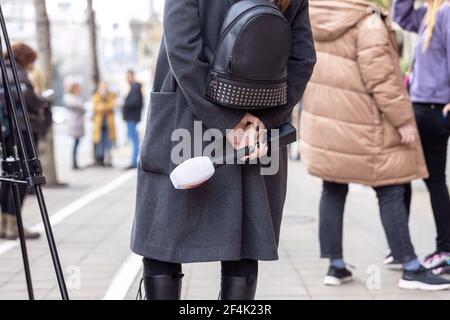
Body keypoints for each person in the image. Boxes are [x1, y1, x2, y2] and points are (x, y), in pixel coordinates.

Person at [131, 0, 316, 300]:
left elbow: (182, 47)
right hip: (256, 124)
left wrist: (228, 121)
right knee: (244, 243)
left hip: (185, 113)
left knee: (163, 238)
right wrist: (262, 122)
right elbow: (302, 58)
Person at [300, 0, 450, 290]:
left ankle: (336, 266)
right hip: (363, 123)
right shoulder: (366, 22)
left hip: (326, 120)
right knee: (392, 186)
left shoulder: (313, 16)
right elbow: (382, 80)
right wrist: (403, 121)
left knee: (332, 186)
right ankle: (410, 266)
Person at [394, 0, 450, 274]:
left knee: (435, 181)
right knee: (404, 176)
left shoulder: (447, 12)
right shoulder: (428, 14)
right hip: (419, 106)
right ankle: (400, 247)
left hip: (434, 108)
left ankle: (447, 251)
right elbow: (400, 15)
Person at [0, 43, 47, 240]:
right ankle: (14, 224)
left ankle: (3, 223)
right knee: (22, 175)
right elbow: (27, 98)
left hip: (6, 131)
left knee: (7, 174)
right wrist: (42, 100)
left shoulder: (3, 69)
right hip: (21, 130)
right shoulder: (16, 72)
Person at [122, 70, 144, 170]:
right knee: (134, 139)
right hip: (132, 117)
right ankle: (134, 161)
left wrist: (124, 104)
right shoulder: (135, 87)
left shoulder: (135, 87)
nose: (127, 78)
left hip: (132, 117)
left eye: (128, 76)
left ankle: (134, 162)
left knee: (134, 140)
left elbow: (134, 102)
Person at [92, 82, 116, 167]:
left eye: (105, 87)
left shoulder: (111, 95)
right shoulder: (96, 96)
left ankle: (108, 160)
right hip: (99, 125)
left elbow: (112, 105)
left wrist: (102, 106)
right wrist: (105, 106)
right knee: (99, 143)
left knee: (108, 143)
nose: (103, 89)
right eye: (102, 87)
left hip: (108, 125)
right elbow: (95, 107)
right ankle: (100, 160)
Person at [64, 82, 86, 170]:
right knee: (75, 143)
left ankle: (75, 162)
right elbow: (80, 107)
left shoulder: (76, 98)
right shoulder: (70, 98)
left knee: (77, 143)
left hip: (78, 123)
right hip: (75, 123)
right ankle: (74, 163)